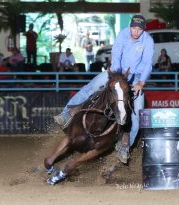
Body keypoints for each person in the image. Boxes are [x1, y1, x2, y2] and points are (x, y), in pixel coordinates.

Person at [54, 14, 154, 163]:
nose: (135, 32)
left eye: (139, 29)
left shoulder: (148, 40)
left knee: (137, 114)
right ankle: (66, 114)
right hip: (117, 73)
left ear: (143, 30)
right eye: (133, 28)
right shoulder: (122, 34)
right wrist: (117, 77)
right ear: (130, 27)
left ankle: (124, 147)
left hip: (135, 78)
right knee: (91, 87)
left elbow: (147, 64)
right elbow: (116, 54)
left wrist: (141, 83)